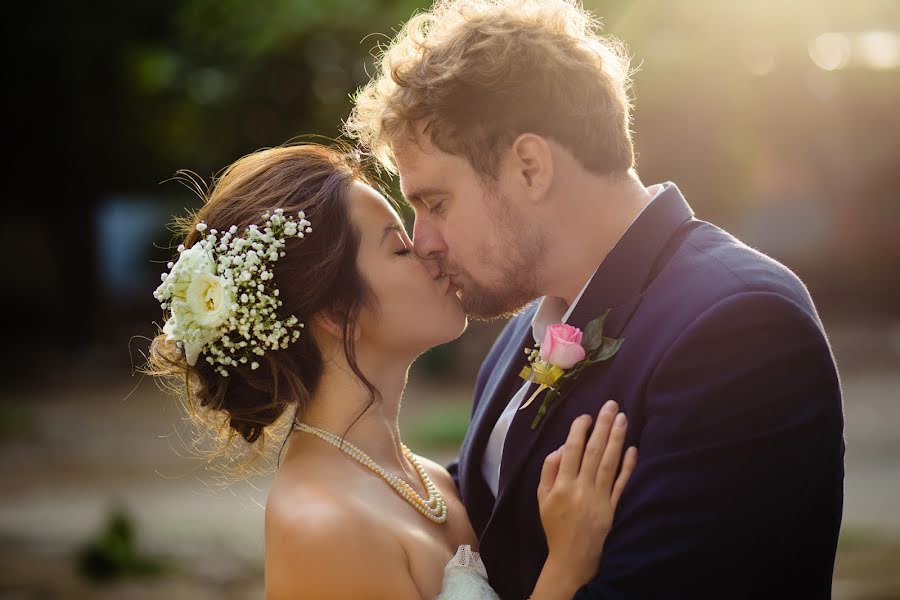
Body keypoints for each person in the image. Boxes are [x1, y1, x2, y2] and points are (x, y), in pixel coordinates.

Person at [343, 0, 846, 597]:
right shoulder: (526, 328)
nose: (423, 241)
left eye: (436, 203)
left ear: (531, 167)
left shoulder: (740, 325)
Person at [147, 143, 638, 599]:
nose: (429, 249)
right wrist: (568, 564)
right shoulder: (321, 524)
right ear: (339, 312)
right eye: (400, 248)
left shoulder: (433, 482)